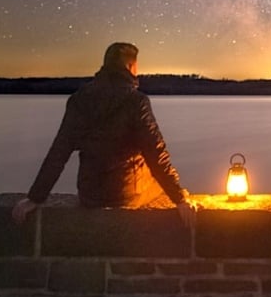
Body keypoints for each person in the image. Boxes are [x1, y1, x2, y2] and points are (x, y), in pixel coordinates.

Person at [12, 42, 194, 226]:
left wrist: (35, 198)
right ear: (131, 66)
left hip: (89, 195)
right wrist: (179, 198)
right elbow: (156, 152)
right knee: (156, 180)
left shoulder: (79, 99)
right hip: (125, 195)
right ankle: (180, 195)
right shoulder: (136, 101)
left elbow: (59, 151)